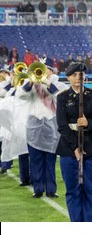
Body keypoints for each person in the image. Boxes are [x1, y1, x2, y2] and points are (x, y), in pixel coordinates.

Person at [56, 62, 92, 222]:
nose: (78, 77)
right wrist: (75, 147)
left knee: (89, 190)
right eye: (74, 75)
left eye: (81, 74)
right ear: (68, 78)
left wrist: (88, 123)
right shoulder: (62, 97)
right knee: (73, 190)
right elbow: (62, 126)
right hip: (69, 149)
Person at [16, 62, 67, 198]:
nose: (45, 72)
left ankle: (51, 189)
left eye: (47, 70)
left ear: (51, 71)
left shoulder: (58, 84)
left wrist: (48, 84)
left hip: (51, 127)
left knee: (50, 160)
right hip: (34, 126)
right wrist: (31, 83)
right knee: (35, 159)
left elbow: (62, 97)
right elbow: (19, 95)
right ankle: (38, 189)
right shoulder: (30, 84)